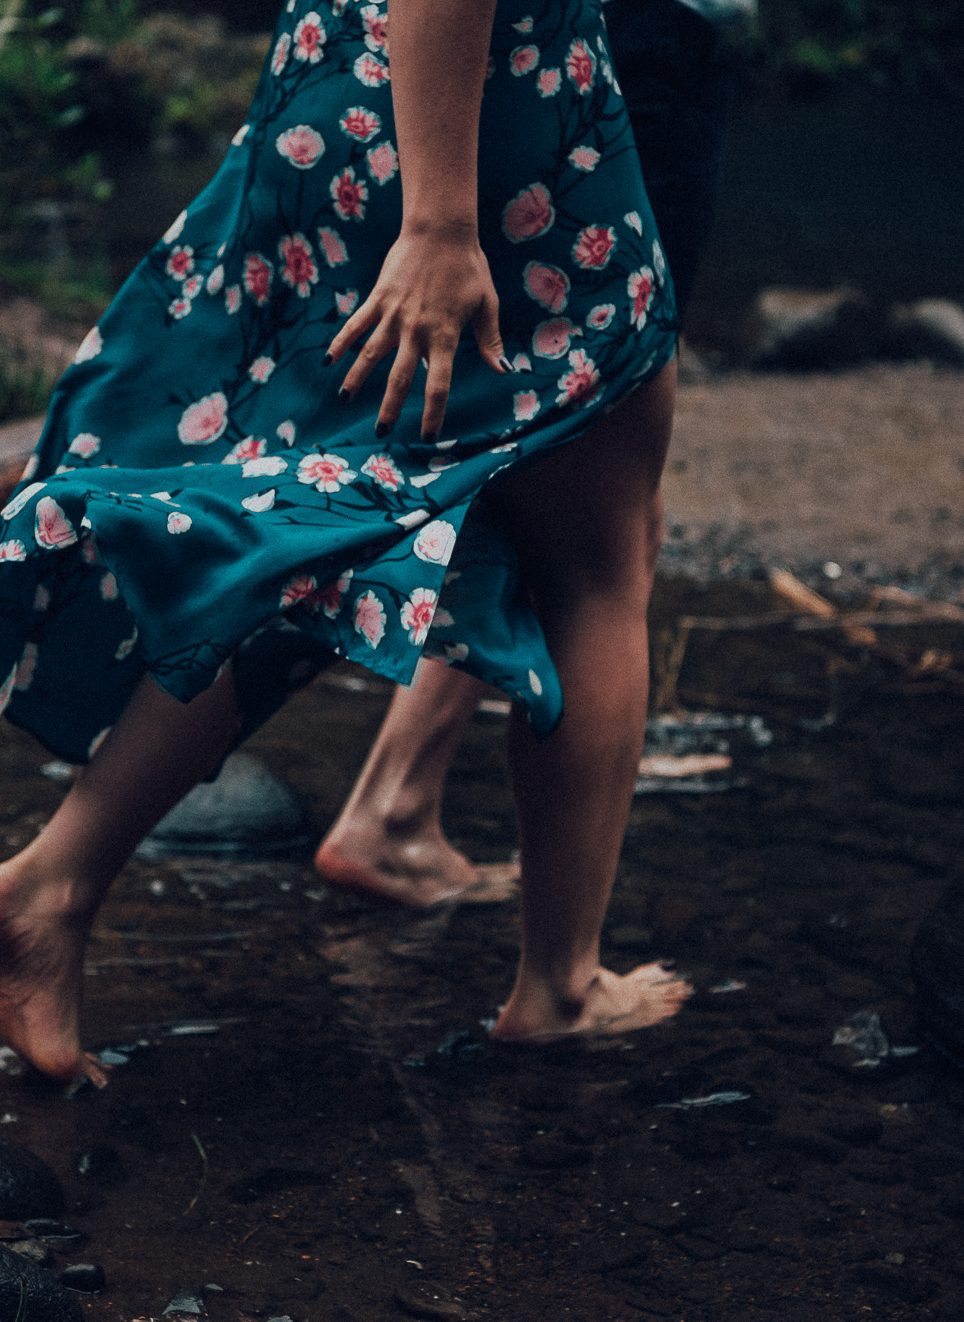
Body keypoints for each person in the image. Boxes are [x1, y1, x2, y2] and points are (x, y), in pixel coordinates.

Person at [0, 0, 693, 1084]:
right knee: (601, 566)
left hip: (350, 85)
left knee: (317, 535)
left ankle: (49, 885)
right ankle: (563, 985)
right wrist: (439, 223)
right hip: (487, 112)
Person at [315, 0, 743, 906]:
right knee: (606, 511)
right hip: (623, 46)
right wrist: (440, 225)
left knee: (533, 467)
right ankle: (561, 982)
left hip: (514, 53)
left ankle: (395, 805)